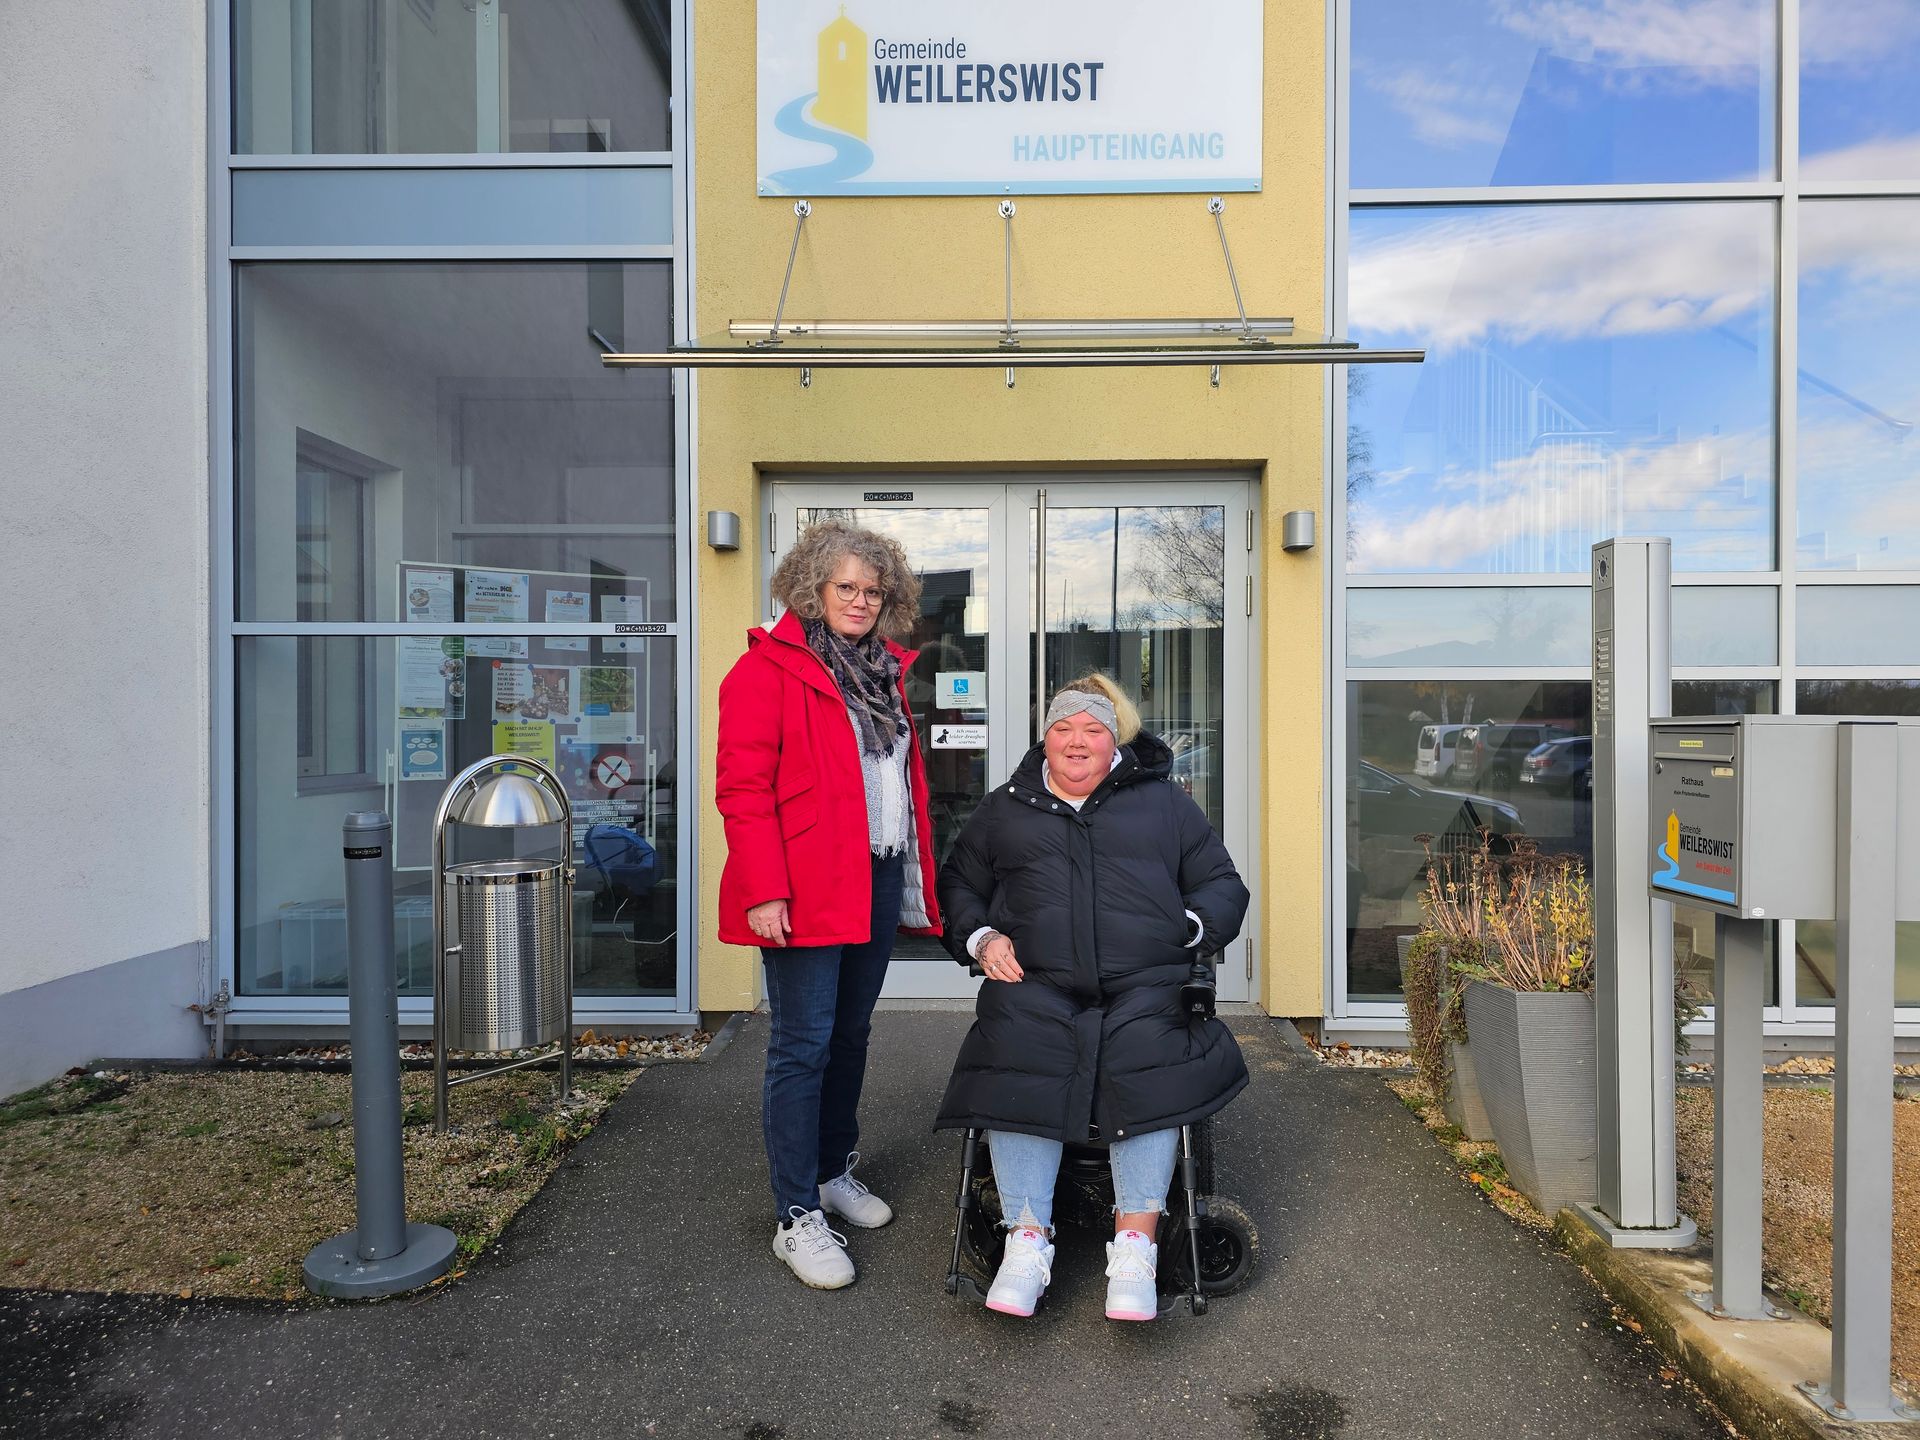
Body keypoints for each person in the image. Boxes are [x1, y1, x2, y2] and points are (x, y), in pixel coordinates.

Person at [935, 674, 1249, 1321]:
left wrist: (1188, 929)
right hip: (1036, 982)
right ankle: (1026, 1241)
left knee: (1149, 1054)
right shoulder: (1005, 809)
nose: (1076, 741)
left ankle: (1135, 1247)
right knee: (1017, 1047)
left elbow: (1221, 883)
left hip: (1145, 981)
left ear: (1114, 742)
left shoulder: (1163, 804)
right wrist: (982, 938)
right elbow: (958, 886)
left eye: (1092, 729)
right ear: (1045, 739)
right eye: (1063, 728)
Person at [716, 521, 942, 1290]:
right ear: (812, 587)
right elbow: (743, 790)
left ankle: (829, 1170)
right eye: (846, 586)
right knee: (802, 1045)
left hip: (872, 874)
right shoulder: (766, 670)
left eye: (873, 590)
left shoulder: (881, 672)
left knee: (849, 1036)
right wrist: (764, 889)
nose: (860, 600)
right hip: (803, 883)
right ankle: (795, 1215)